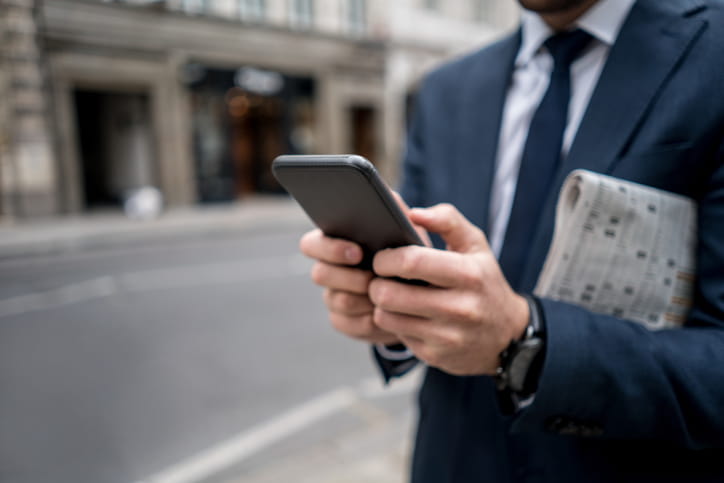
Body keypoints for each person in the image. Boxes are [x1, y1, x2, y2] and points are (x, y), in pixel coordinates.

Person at [300, 0, 724, 481]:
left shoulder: (712, 54)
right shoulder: (446, 90)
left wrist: (524, 341)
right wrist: (393, 311)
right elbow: (434, 280)